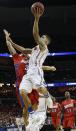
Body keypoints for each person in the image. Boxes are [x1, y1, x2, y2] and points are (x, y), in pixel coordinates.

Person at [4, 29, 56, 126]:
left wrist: (49, 67)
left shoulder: (31, 57)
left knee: (36, 102)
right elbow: (13, 47)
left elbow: (39, 66)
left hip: (33, 79)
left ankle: (37, 116)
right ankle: (29, 123)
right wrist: (8, 39)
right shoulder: (17, 57)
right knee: (25, 109)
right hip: (22, 82)